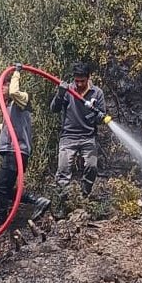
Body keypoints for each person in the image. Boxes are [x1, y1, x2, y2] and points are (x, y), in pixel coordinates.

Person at [0, 65, 51, 227]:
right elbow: (6, 127)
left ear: (9, 84)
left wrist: (16, 72)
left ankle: (2, 223)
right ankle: (36, 200)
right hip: (11, 151)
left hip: (15, 151)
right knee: (6, 189)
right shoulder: (9, 107)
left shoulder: (22, 100)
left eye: (2, 85)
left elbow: (14, 92)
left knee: (1, 187)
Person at [50, 61, 108, 199]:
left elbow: (102, 118)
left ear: (88, 78)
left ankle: (84, 196)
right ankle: (63, 201)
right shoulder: (68, 90)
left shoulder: (97, 93)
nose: (79, 84)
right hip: (68, 136)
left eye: (82, 81)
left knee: (92, 166)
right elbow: (54, 109)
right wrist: (60, 94)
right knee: (63, 169)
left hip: (88, 137)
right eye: (77, 81)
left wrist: (99, 115)